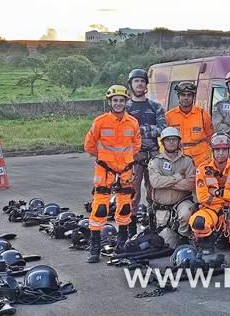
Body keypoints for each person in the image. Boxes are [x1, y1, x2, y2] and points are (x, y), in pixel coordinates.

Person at [84, 85, 142, 262]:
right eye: (115, 100)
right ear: (110, 101)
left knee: (125, 207)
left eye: (121, 100)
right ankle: (94, 247)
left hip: (125, 170)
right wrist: (104, 159)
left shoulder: (132, 122)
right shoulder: (100, 122)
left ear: (126, 102)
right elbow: (89, 145)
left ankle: (121, 243)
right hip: (104, 169)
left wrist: (125, 161)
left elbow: (136, 145)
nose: (118, 103)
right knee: (100, 208)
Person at [189, 133, 230, 252]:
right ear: (212, 151)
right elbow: (203, 198)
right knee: (198, 222)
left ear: (229, 150)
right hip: (211, 210)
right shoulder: (202, 168)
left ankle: (229, 237)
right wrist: (228, 196)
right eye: (217, 149)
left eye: (224, 149)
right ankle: (205, 243)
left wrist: (216, 192)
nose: (220, 153)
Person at [125, 68, 165, 216]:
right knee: (132, 193)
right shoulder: (125, 108)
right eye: (136, 81)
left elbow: (162, 129)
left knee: (154, 191)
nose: (140, 84)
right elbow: (124, 132)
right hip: (133, 156)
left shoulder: (155, 107)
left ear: (146, 85)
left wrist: (137, 130)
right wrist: (148, 129)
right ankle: (130, 225)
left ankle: (153, 221)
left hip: (154, 155)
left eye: (142, 81)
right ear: (131, 85)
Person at [147, 127, 196, 248]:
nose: (171, 142)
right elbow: (155, 182)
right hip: (161, 206)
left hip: (181, 202)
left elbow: (191, 183)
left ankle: (184, 236)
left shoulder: (187, 161)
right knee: (166, 243)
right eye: (168, 140)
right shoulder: (155, 162)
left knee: (186, 213)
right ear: (163, 142)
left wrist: (167, 183)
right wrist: (178, 177)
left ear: (179, 141)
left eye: (174, 139)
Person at [165, 81, 213, 166]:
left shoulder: (203, 115)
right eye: (183, 95)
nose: (186, 98)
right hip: (178, 158)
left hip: (201, 160)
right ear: (178, 96)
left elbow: (210, 138)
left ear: (193, 97)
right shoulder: (169, 116)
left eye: (189, 95)